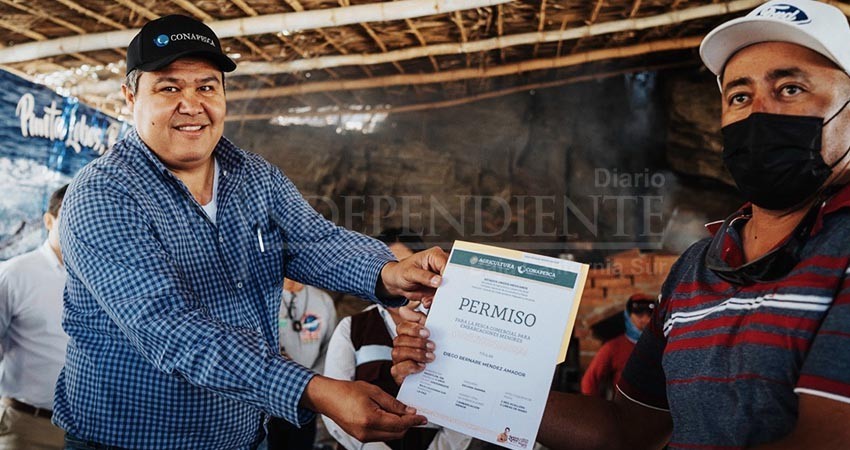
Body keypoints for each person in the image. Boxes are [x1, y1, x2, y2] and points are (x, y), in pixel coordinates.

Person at [390, 1, 850, 448]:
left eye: (791, 88)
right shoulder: (696, 268)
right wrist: (455, 374)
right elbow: (629, 430)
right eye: (740, 96)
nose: (758, 112)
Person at [56, 14, 447, 449]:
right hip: (128, 443)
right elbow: (172, 329)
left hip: (245, 438)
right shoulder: (103, 194)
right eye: (169, 88)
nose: (191, 104)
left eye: (207, 87)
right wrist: (315, 390)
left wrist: (391, 272)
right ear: (131, 97)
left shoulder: (254, 177)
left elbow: (315, 242)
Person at [323, 229, 472, 450]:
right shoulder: (352, 327)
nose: (402, 278)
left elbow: (467, 400)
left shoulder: (453, 325)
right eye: (389, 269)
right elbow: (334, 402)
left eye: (406, 266)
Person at [0, 185, 68, 450]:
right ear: (49, 221)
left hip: (88, 432)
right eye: (70, 217)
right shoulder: (14, 274)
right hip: (26, 427)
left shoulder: (105, 281)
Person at [267, 279, 337, 450]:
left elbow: (330, 348)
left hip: (307, 396)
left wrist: (311, 382)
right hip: (270, 395)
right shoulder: (266, 298)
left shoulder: (323, 300)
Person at [580, 294, 656, 398]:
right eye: (640, 315)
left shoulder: (660, 346)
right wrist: (592, 406)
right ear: (628, 316)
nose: (646, 320)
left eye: (649, 316)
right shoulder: (613, 347)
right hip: (625, 405)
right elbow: (589, 381)